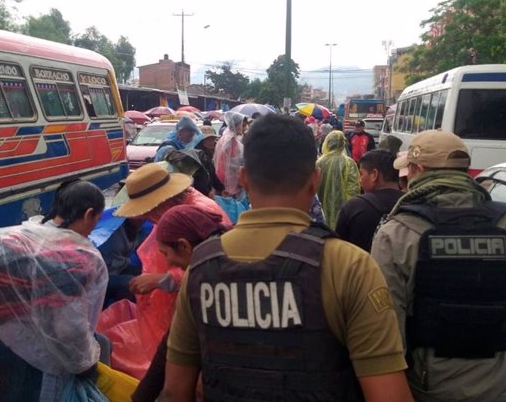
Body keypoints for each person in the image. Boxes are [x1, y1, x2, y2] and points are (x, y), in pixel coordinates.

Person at [163, 114, 413, 402]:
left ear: (243, 178)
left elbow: (174, 392)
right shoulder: (349, 266)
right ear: (315, 180)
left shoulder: (201, 264)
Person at [371, 130, 506, 402]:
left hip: (426, 389)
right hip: (503, 385)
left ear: (417, 169)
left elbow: (387, 333)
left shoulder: (396, 234)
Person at [0, 180, 109, 402]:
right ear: (89, 214)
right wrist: (86, 365)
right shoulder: (75, 259)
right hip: (30, 358)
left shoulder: (27, 235)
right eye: (97, 219)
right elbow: (68, 330)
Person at [103, 164, 230, 379]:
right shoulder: (180, 206)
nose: (146, 216)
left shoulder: (202, 214)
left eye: (147, 210)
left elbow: (214, 267)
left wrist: (163, 280)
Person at [132, 205, 230, 402]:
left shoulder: (200, 276)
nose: (168, 264)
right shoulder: (221, 252)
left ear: (185, 246)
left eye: (167, 253)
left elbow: (173, 349)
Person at [335, 150, 403, 252]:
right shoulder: (413, 204)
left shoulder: (354, 207)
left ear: (374, 175)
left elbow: (339, 251)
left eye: (361, 174)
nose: (359, 180)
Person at [316, 130, 361, 229]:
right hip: (343, 209)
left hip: (321, 208)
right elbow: (354, 189)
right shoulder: (349, 162)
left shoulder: (319, 162)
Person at [213, 111, 247, 197]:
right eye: (243, 125)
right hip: (230, 184)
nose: (245, 128)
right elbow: (233, 164)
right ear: (236, 125)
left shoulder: (226, 138)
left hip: (223, 180)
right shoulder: (230, 141)